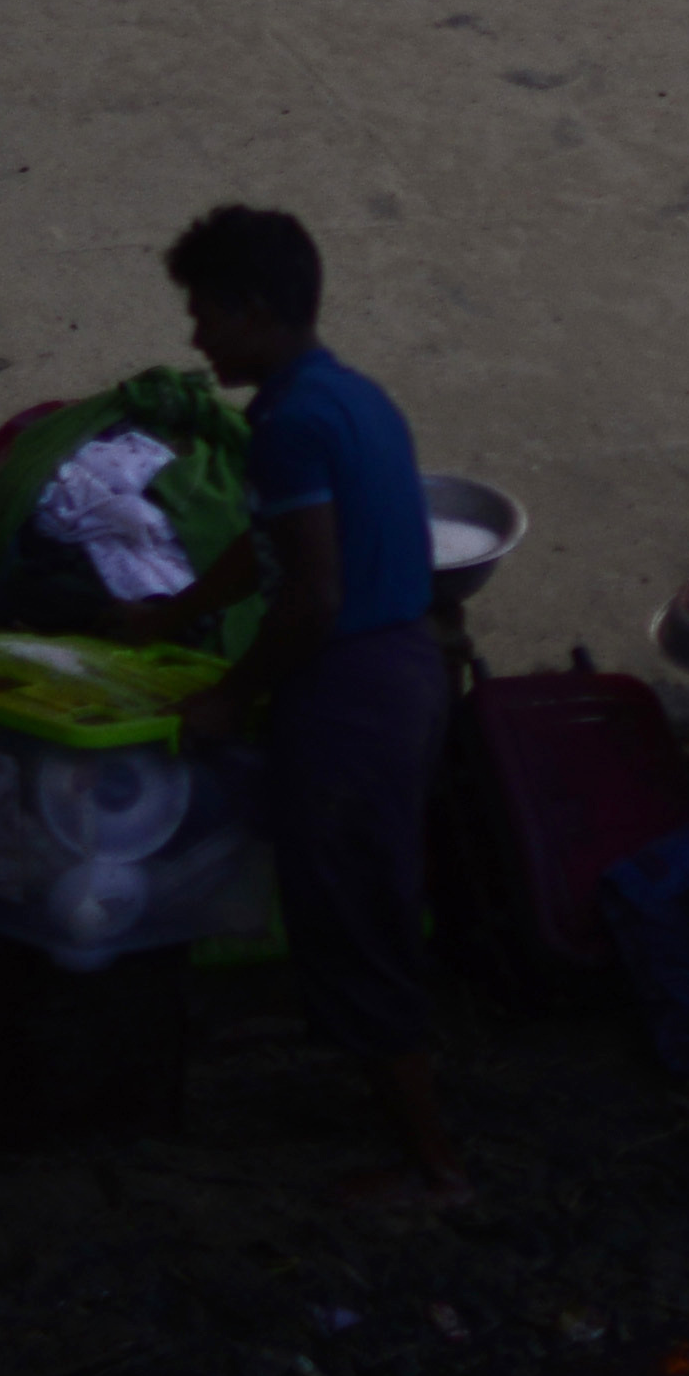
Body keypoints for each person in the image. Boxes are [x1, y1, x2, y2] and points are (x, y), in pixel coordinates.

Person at [146, 204, 466, 1209]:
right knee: (363, 893)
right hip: (410, 667)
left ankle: (428, 1167)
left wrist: (231, 695)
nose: (196, 337)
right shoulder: (352, 397)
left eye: (205, 314)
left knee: (355, 910)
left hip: (350, 692)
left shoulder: (286, 424)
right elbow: (279, 543)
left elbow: (313, 592)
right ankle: (377, 1077)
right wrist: (176, 606)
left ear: (252, 310)